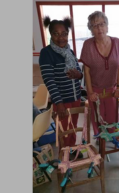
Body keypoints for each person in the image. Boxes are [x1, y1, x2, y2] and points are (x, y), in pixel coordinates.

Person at [39, 16, 83, 151]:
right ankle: (65, 156)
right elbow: (49, 80)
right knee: (63, 130)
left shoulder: (70, 51)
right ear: (50, 35)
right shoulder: (46, 53)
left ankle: (72, 150)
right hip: (62, 102)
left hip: (75, 98)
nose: (61, 38)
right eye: (56, 34)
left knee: (73, 127)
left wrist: (78, 75)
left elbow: (79, 73)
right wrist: (59, 103)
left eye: (64, 34)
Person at [80, 11, 119, 136]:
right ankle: (100, 141)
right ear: (91, 29)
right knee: (97, 119)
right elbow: (87, 71)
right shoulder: (88, 45)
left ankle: (110, 140)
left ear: (107, 26)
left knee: (112, 120)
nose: (99, 28)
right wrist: (90, 93)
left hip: (112, 90)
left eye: (102, 24)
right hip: (95, 90)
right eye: (95, 25)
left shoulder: (117, 42)